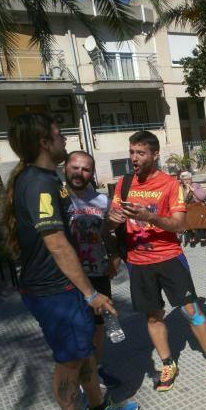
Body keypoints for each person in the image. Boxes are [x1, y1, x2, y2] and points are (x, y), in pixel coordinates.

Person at [3, 113, 137, 410]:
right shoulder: (38, 183)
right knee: (69, 363)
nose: (64, 139)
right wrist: (90, 293)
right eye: (58, 134)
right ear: (44, 142)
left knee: (83, 352)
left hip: (65, 287)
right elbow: (57, 243)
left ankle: (99, 407)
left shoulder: (49, 178)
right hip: (54, 291)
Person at [107, 131, 206, 391]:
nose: (134, 158)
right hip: (138, 261)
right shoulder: (124, 183)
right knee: (153, 316)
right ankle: (167, 363)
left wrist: (149, 217)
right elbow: (112, 218)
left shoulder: (170, 185)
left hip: (169, 258)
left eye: (140, 153)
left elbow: (180, 224)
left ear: (155, 154)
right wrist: (112, 219)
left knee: (192, 311)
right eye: (131, 152)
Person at [64, 150, 122, 388]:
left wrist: (115, 255)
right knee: (76, 328)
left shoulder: (102, 201)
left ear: (92, 173)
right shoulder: (58, 199)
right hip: (68, 276)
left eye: (86, 169)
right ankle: (77, 376)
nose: (80, 173)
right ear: (65, 168)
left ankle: (94, 373)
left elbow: (108, 232)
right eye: (75, 167)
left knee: (98, 326)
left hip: (97, 271)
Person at [180, 171, 206, 246]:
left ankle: (203, 236)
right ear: (182, 181)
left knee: (201, 215)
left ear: (191, 179)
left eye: (188, 179)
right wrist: (187, 192)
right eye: (184, 179)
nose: (187, 181)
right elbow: (181, 201)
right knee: (187, 217)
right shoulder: (180, 188)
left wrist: (194, 190)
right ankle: (191, 236)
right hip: (187, 207)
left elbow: (202, 197)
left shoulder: (196, 185)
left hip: (199, 205)